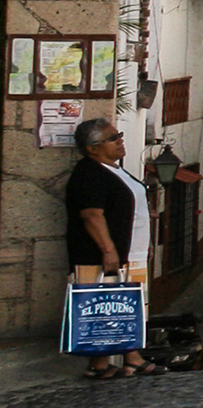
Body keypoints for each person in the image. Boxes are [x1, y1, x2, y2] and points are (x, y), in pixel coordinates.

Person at [63, 119, 154, 379]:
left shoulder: (112, 169)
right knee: (106, 306)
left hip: (131, 252)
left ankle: (118, 360)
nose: (120, 140)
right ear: (92, 148)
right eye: (113, 138)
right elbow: (92, 215)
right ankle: (110, 362)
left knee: (124, 307)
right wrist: (109, 250)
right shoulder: (90, 174)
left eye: (119, 135)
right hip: (103, 256)